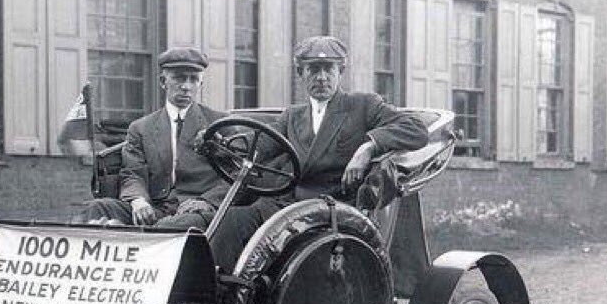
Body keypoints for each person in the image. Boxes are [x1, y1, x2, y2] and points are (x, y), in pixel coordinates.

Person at [207, 36, 429, 271]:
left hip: (333, 209)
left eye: (328, 69)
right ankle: (225, 294)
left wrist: (368, 147)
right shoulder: (292, 116)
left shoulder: (363, 106)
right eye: (313, 70)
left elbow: (415, 129)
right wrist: (221, 144)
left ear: (340, 71)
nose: (321, 77)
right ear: (301, 74)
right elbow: (259, 146)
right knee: (232, 221)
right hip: (286, 204)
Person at [78, 47, 229, 230]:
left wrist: (207, 201)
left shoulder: (219, 123)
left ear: (200, 84)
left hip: (198, 212)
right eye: (179, 78)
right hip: (155, 208)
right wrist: (138, 200)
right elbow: (132, 173)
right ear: (163, 81)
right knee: (97, 208)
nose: (186, 86)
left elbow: (236, 176)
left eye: (194, 79)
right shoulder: (141, 128)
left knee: (169, 226)